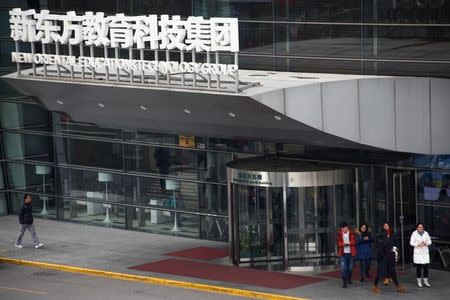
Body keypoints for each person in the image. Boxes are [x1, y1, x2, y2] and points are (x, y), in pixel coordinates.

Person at [410, 223, 432, 288]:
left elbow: (430, 241)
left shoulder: (426, 233)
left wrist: (426, 243)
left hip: (425, 253)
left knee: (426, 268)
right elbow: (411, 242)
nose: (421, 228)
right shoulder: (414, 233)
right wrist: (418, 244)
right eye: (419, 227)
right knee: (419, 268)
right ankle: (419, 282)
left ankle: (426, 282)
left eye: (422, 227)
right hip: (418, 253)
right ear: (417, 228)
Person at [336, 222, 357, 288]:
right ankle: (344, 282)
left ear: (348, 227)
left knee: (350, 268)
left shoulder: (352, 233)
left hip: (351, 253)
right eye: (343, 229)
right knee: (344, 268)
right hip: (343, 254)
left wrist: (349, 243)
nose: (344, 230)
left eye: (345, 229)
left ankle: (349, 278)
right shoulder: (339, 234)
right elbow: (337, 242)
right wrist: (342, 244)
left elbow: (355, 241)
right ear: (341, 229)